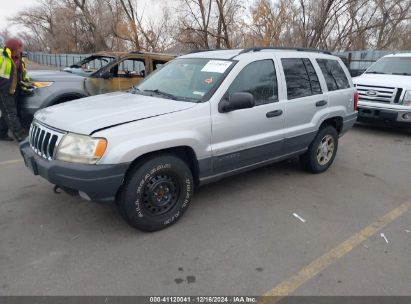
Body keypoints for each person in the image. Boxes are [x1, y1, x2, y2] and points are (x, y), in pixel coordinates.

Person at [0, 38, 29, 142]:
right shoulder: (2, 57)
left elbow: (23, 72)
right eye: (19, 47)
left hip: (15, 90)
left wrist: (27, 82)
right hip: (4, 91)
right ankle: (22, 137)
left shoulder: (20, 58)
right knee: (11, 114)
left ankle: (1, 133)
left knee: (7, 112)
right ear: (13, 48)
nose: (21, 50)